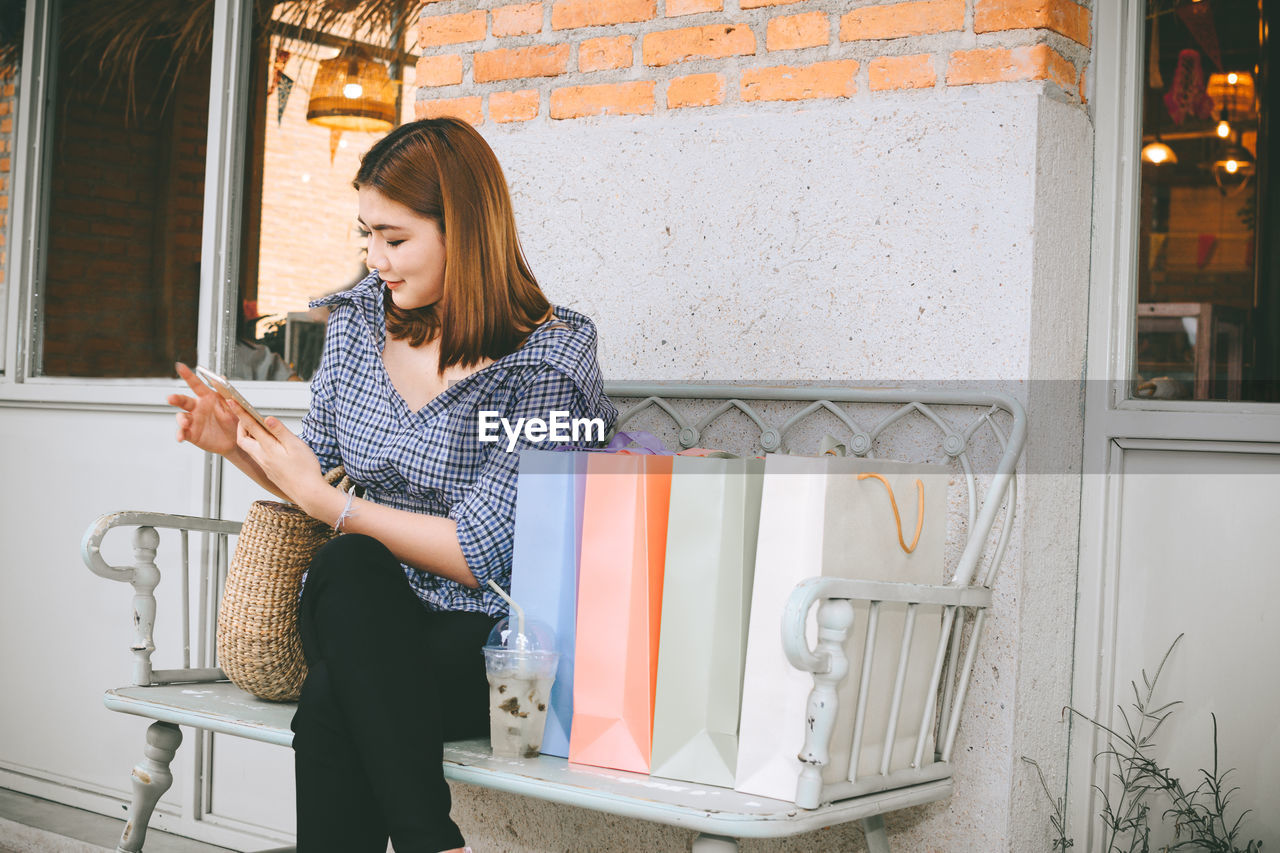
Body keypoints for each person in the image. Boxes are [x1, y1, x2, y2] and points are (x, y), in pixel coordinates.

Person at [167, 117, 617, 853]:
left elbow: (482, 554)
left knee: (332, 697)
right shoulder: (355, 326)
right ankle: (430, 841)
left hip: (487, 644)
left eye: (395, 238)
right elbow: (317, 473)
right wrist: (237, 445)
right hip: (359, 610)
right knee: (349, 569)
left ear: (465, 230)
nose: (374, 258)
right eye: (365, 235)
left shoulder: (549, 361)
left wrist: (327, 503)